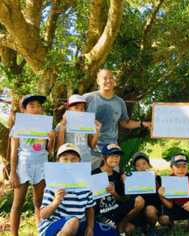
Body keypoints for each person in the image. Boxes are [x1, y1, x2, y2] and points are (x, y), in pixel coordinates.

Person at [38, 143, 116, 236]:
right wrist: (56, 201)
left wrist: (90, 228)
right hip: (53, 227)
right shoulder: (53, 184)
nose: (69, 162)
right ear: (58, 162)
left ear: (79, 162)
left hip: (77, 224)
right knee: (72, 222)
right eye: (65, 159)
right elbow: (43, 215)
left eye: (74, 159)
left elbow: (90, 208)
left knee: (109, 232)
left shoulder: (84, 184)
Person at [83, 69, 152, 170]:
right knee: (89, 184)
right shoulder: (87, 98)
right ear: (98, 81)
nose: (108, 81)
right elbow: (75, 118)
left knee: (111, 184)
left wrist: (143, 124)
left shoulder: (119, 102)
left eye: (111, 78)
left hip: (112, 153)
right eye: (105, 78)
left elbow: (125, 123)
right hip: (90, 153)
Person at [9, 94, 56, 236]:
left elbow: (48, 150)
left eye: (39, 106)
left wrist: (52, 139)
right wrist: (13, 172)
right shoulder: (18, 126)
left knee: (40, 202)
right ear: (23, 110)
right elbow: (13, 152)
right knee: (18, 203)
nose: (36, 109)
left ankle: (40, 231)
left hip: (41, 165)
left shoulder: (46, 126)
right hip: (23, 166)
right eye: (32, 106)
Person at [92, 143, 144, 235]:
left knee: (139, 201)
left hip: (116, 211)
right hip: (101, 214)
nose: (115, 158)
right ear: (103, 157)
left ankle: (121, 224)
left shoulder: (117, 176)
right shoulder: (94, 175)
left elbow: (121, 199)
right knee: (112, 232)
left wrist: (115, 192)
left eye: (118, 155)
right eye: (111, 155)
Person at [158, 153, 189, 232]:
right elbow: (170, 206)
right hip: (174, 208)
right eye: (177, 166)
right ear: (171, 167)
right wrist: (161, 197)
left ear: (187, 166)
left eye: (184, 166)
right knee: (163, 219)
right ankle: (171, 226)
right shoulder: (169, 180)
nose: (181, 169)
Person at [55, 94, 102, 162]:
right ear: (69, 109)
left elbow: (92, 146)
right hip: (69, 161)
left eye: (82, 108)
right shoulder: (61, 125)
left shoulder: (87, 124)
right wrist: (62, 128)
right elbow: (58, 148)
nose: (80, 110)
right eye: (76, 107)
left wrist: (97, 130)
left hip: (85, 159)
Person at [128, 152, 162, 235]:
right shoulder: (132, 179)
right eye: (138, 165)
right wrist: (125, 183)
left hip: (152, 209)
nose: (141, 167)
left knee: (150, 210)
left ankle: (152, 227)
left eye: (144, 164)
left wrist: (154, 180)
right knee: (129, 230)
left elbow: (160, 192)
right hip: (138, 211)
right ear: (135, 168)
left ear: (149, 165)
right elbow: (127, 199)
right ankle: (140, 226)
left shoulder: (157, 177)